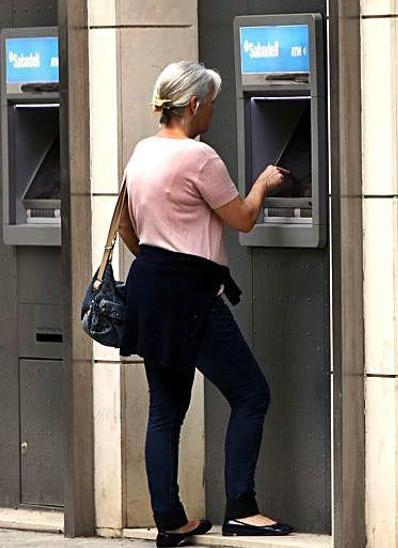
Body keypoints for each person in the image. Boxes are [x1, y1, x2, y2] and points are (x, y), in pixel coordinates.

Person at [116, 60, 293, 547]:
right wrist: (263, 184)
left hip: (149, 285)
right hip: (192, 295)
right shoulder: (200, 158)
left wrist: (162, 255)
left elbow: (127, 227)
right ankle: (242, 508)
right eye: (211, 101)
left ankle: (170, 522)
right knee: (251, 393)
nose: (213, 110)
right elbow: (241, 219)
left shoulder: (141, 152)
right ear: (193, 104)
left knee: (165, 410)